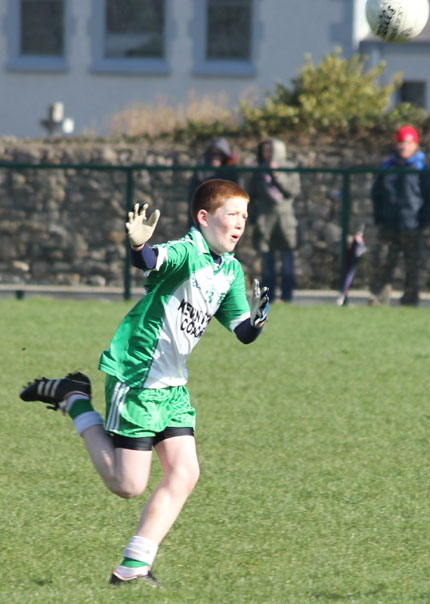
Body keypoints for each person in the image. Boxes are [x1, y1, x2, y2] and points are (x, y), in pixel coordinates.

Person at [19, 179, 269, 587]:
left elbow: (241, 330)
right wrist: (139, 247)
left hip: (171, 384)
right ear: (204, 218)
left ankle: (134, 565)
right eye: (232, 215)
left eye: (245, 215)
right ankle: (74, 399)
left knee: (185, 473)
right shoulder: (188, 251)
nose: (241, 223)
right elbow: (152, 261)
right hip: (138, 374)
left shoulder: (230, 269)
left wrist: (257, 322)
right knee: (127, 484)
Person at [369, 125, 430, 306]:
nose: (403, 147)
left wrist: (423, 221)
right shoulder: (388, 166)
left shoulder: (421, 168)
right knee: (383, 263)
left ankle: (410, 300)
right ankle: (379, 299)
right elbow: (377, 194)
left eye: (407, 143)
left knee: (412, 266)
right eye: (400, 143)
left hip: (412, 225)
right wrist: (379, 217)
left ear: (415, 145)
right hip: (388, 224)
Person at [248, 138, 301, 302]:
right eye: (264, 150)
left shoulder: (289, 169)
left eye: (270, 150)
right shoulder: (258, 172)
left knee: (287, 260)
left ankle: (287, 297)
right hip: (265, 220)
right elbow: (252, 195)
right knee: (267, 262)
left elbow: (292, 191)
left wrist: (277, 175)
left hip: (285, 220)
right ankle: (268, 298)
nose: (267, 154)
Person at [187, 138, 240, 226]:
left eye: (220, 154)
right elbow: (193, 195)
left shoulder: (231, 172)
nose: (216, 157)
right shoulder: (201, 171)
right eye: (214, 154)